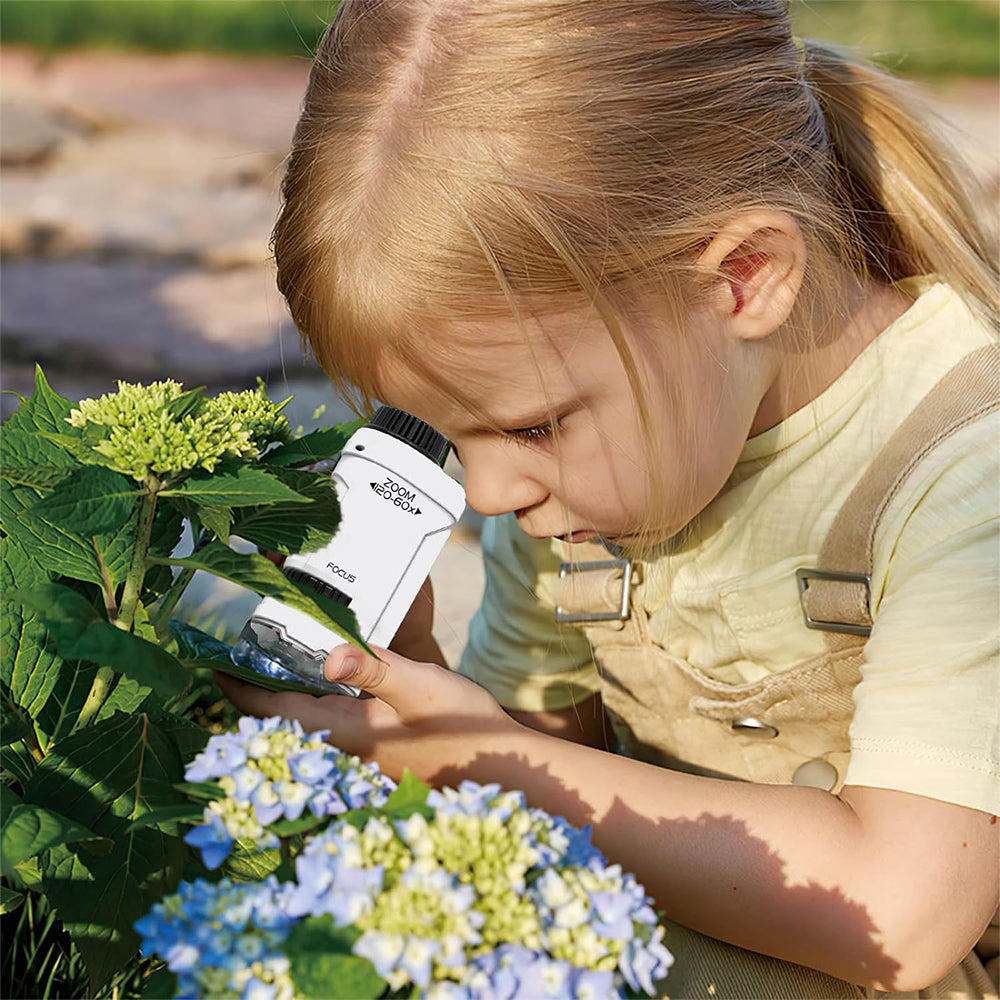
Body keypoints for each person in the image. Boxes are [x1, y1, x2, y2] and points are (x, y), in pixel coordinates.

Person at [217, 1, 999, 995]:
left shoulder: (965, 471)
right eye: (450, 437)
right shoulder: (599, 477)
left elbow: (902, 912)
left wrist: (473, 756)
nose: (489, 494)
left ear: (745, 278)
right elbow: (559, 763)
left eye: (532, 425)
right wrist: (416, 688)